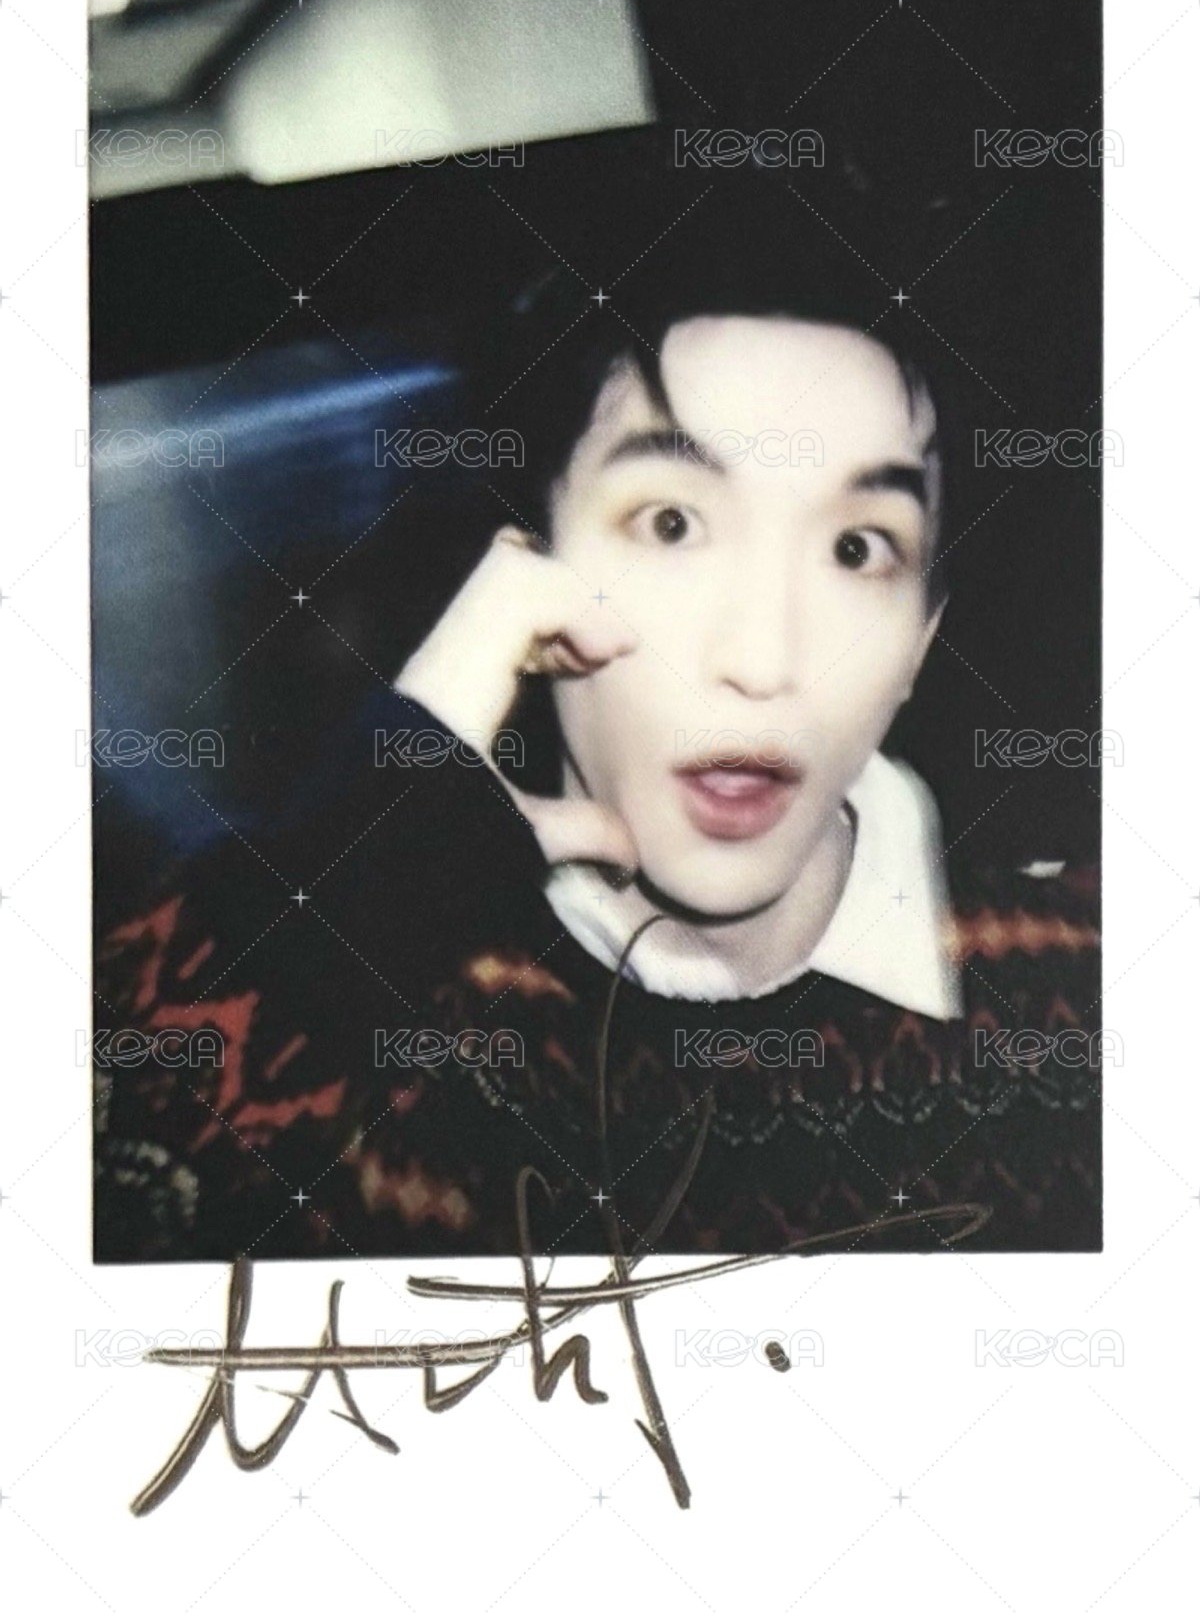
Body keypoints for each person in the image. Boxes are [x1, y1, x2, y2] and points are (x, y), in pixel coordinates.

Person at [94, 222, 1100, 1262]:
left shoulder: (1100, 981)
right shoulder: (379, 1043)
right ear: (524, 584)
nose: (763, 658)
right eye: (671, 524)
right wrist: (336, 895)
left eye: (856, 548)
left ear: (920, 641)